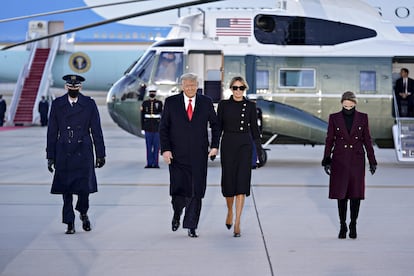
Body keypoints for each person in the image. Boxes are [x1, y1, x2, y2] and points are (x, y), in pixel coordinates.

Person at [159, 73, 220, 238]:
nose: (190, 88)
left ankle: (191, 225)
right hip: (177, 156)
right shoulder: (171, 102)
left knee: (196, 191)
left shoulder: (206, 102)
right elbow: (163, 128)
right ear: (182, 86)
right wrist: (165, 150)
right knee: (179, 191)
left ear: (197, 85)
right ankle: (177, 212)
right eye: (187, 85)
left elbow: (215, 125)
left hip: (199, 155)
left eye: (193, 85)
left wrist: (215, 146)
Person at [46, 74, 106, 234]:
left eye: (76, 87)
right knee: (66, 191)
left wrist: (101, 154)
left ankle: (83, 212)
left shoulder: (89, 104)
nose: (73, 89)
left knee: (84, 189)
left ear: (80, 88)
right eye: (70, 87)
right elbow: (52, 131)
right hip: (64, 150)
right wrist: (50, 156)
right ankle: (69, 222)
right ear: (66, 87)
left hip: (83, 151)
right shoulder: (58, 104)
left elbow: (96, 130)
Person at [321, 91, 377, 239]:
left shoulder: (362, 118)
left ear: (355, 103)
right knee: (341, 195)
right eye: (345, 106)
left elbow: (367, 140)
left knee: (355, 195)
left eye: (350, 105)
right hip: (340, 160)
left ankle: (353, 224)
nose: (348, 108)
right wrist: (326, 159)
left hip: (356, 161)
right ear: (341, 103)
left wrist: (372, 160)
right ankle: (342, 225)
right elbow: (329, 140)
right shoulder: (334, 118)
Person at [217, 76, 264, 237]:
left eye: (241, 88)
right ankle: (230, 211)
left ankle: (237, 222)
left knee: (242, 183)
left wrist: (259, 149)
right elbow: (218, 128)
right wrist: (214, 147)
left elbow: (255, 131)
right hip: (228, 144)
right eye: (235, 88)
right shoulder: (224, 105)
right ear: (231, 89)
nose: (238, 91)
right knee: (229, 182)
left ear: (245, 89)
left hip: (244, 144)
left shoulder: (250, 106)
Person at [141, 86, 163, 168]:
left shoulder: (159, 103)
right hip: (147, 127)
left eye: (153, 92)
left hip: (156, 127)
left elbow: (162, 116)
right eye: (151, 92)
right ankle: (149, 163)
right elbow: (142, 116)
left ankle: (156, 163)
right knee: (148, 147)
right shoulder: (145, 103)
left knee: (156, 147)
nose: (152, 93)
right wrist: (142, 128)